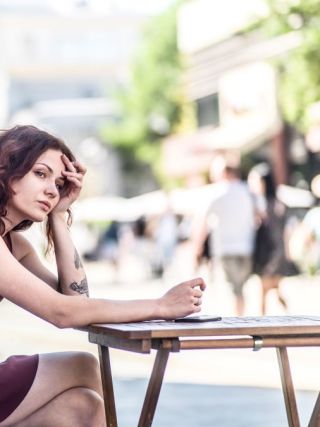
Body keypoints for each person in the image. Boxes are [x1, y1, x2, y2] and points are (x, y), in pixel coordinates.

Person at [0, 125, 205, 427]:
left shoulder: (15, 245)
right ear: (6, 167)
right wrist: (160, 306)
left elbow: (76, 300)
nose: (51, 190)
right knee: (83, 365)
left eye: (58, 183)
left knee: (81, 407)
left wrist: (59, 216)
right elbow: (62, 313)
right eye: (40, 174)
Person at [194, 156, 255, 316]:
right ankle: (241, 320)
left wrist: (197, 248)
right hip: (247, 246)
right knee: (240, 290)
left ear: (223, 172)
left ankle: (235, 326)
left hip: (225, 248)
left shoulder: (216, 192)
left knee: (229, 291)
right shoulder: (247, 191)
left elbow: (202, 221)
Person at [248, 163, 298, 315]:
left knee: (264, 289)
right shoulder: (279, 203)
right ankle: (286, 314)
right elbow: (287, 230)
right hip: (278, 251)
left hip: (268, 251)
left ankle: (262, 323)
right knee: (273, 288)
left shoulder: (264, 205)